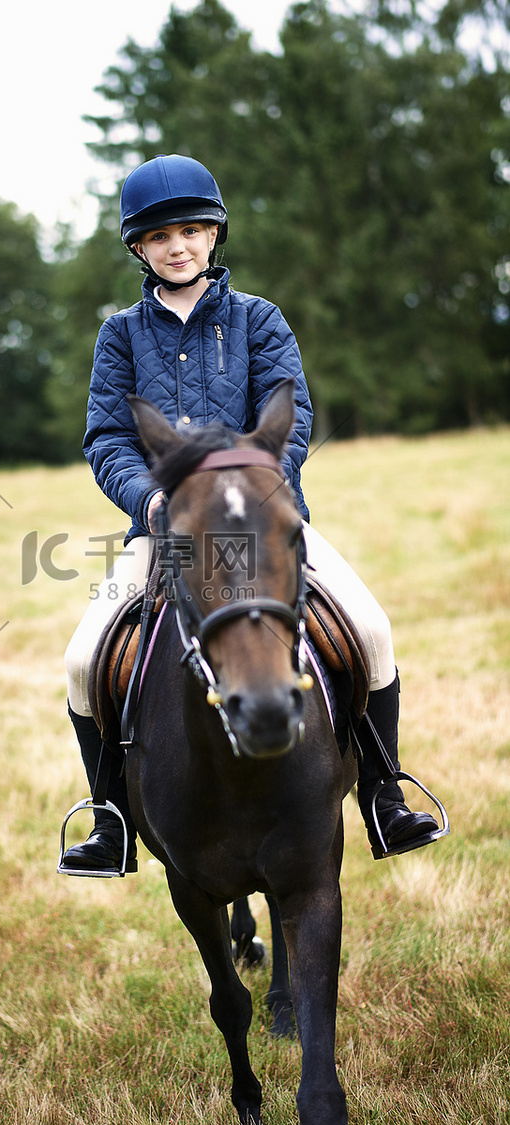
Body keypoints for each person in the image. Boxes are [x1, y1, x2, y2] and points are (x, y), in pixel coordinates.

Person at [60, 153, 441, 875]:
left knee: (370, 626)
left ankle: (386, 793)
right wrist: (152, 497)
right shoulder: (120, 336)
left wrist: (261, 488)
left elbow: (288, 419)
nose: (179, 245)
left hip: (265, 522)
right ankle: (108, 816)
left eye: (193, 229)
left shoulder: (257, 319)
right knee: (83, 660)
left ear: (214, 235)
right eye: (161, 235)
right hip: (165, 529)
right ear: (138, 247)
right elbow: (108, 437)